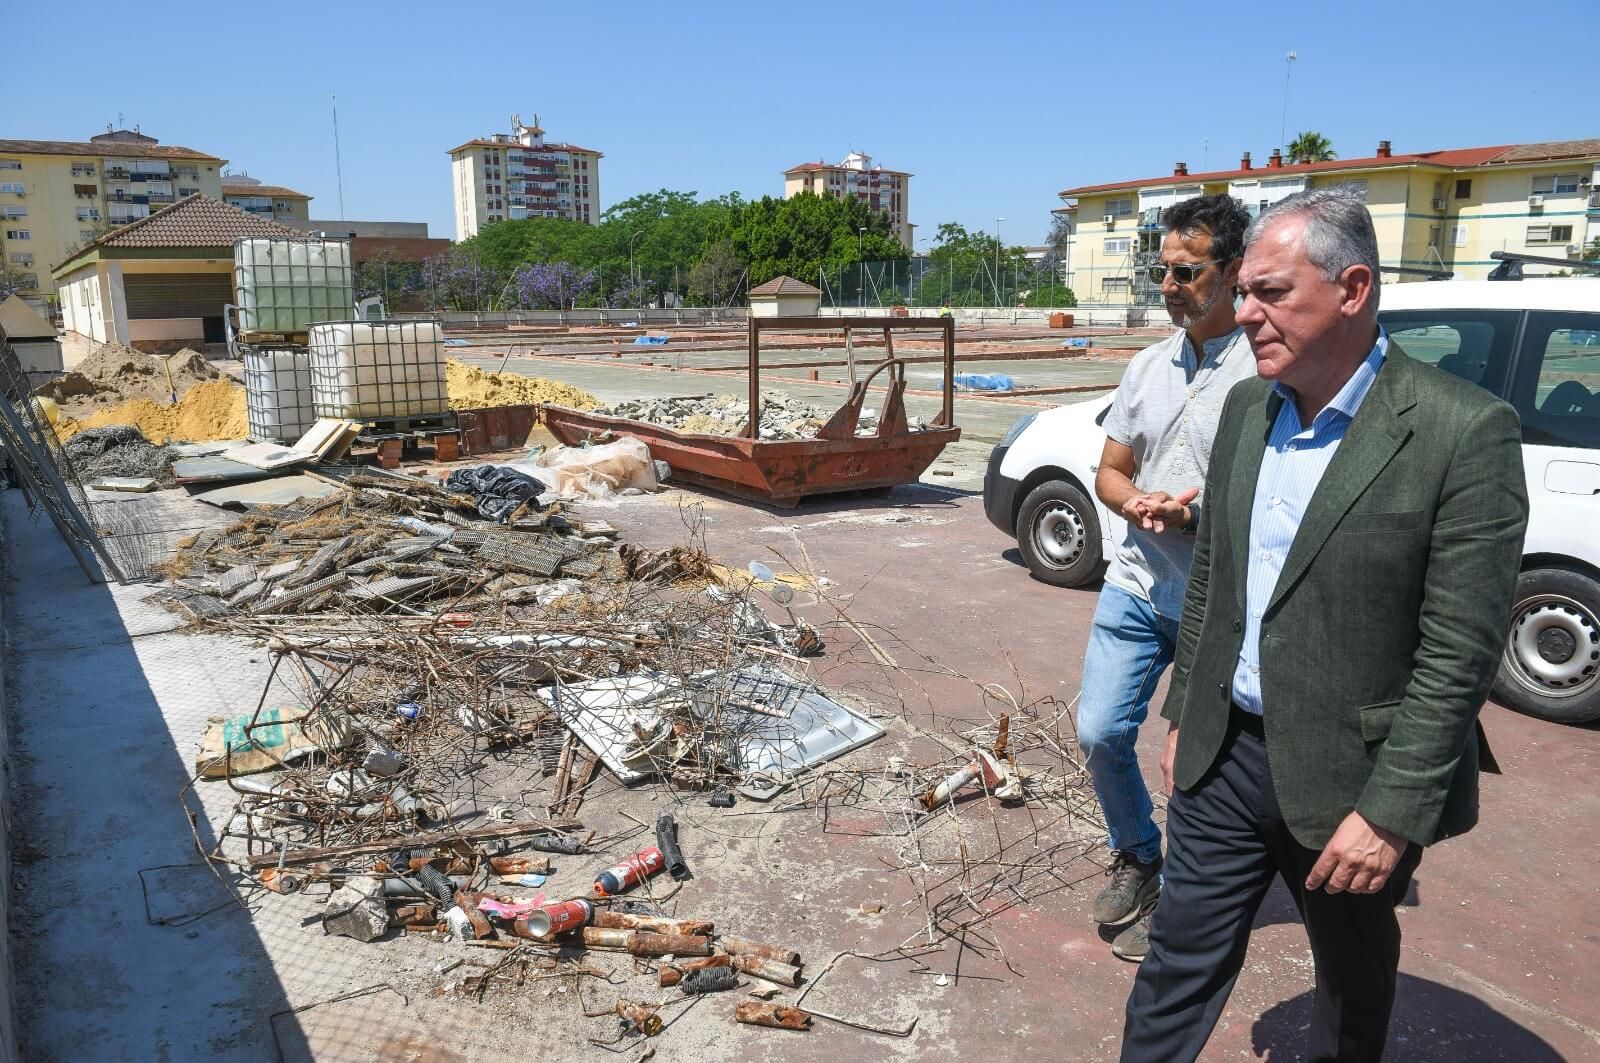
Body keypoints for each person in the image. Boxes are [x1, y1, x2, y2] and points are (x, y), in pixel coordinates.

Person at [1122, 188, 1528, 1061]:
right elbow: (1217, 585)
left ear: (1352, 289)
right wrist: (1188, 706)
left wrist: (1390, 812)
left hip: (1354, 776)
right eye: (1246, 292)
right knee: (1176, 962)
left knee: (1349, 983)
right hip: (1224, 754)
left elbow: (1460, 650)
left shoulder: (1464, 432)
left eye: (1271, 292)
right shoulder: (1248, 411)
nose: (1245, 312)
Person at [1077, 194, 1258, 961]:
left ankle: (1187, 892)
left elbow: (1271, 489)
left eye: (1189, 271)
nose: (1171, 285)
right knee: (1100, 730)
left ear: (1234, 271)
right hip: (1137, 583)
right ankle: (1139, 852)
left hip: (1222, 602)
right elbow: (1111, 470)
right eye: (1164, 270)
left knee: (1200, 758)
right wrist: (1138, 502)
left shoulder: (1263, 366)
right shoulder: (1148, 366)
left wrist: (1195, 516)